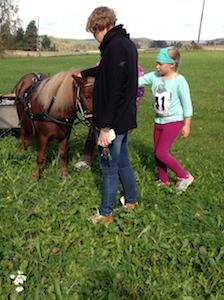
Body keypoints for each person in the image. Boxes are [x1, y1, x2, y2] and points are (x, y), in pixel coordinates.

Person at [79, 6, 138, 224]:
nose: (95, 38)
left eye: (94, 33)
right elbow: (108, 72)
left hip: (111, 122)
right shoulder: (126, 44)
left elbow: (114, 90)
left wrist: (104, 127)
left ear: (100, 26)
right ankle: (131, 200)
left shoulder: (113, 48)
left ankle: (105, 213)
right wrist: (84, 73)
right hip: (123, 118)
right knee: (123, 162)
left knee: (108, 167)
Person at [138, 47, 194, 194]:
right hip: (159, 121)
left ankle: (184, 176)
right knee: (156, 151)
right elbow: (139, 81)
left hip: (173, 121)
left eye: (160, 64)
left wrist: (186, 125)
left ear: (172, 64)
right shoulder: (155, 76)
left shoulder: (179, 81)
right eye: (157, 63)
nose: (157, 66)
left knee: (161, 152)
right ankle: (164, 180)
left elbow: (187, 104)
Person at [74, 64, 144, 169]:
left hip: (118, 112)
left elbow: (138, 91)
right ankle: (88, 159)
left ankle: (113, 164)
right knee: (94, 132)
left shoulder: (134, 68)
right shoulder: (105, 60)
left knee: (115, 138)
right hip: (103, 108)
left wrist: (133, 110)